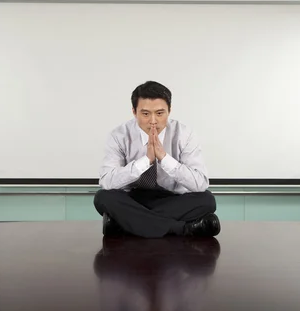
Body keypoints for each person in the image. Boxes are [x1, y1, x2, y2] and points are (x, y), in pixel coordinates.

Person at [93, 81, 220, 238]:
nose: (153, 121)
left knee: (207, 200)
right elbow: (107, 181)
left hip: (172, 198)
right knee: (103, 197)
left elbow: (200, 183)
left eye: (160, 113)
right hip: (133, 198)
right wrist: (145, 161)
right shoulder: (119, 135)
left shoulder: (185, 134)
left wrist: (165, 159)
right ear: (134, 112)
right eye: (145, 114)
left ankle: (124, 223)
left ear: (169, 110)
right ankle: (182, 229)